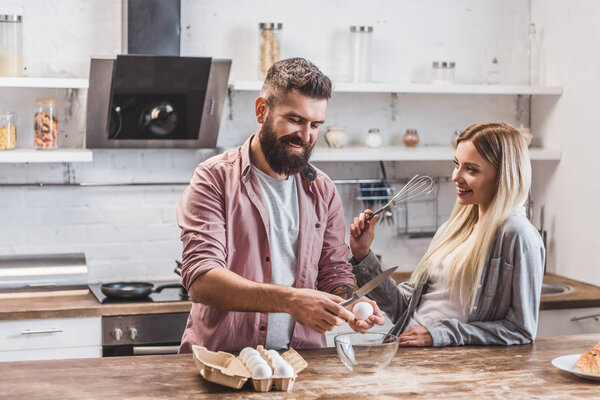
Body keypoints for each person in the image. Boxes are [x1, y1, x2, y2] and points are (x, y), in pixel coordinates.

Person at [177, 57, 384, 353]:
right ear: (262, 110)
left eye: (315, 125)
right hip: (223, 363)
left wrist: (352, 301)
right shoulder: (214, 178)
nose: (306, 136)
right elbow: (202, 279)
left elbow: (334, 271)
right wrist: (290, 300)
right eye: (295, 120)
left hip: (303, 363)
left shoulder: (322, 189)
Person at [350, 121, 545, 347]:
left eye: (471, 169)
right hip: (406, 350)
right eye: (456, 164)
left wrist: (439, 335)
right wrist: (363, 254)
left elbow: (520, 330)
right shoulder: (452, 229)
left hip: (450, 361)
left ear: (503, 175)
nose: (455, 176)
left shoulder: (517, 235)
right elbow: (404, 308)